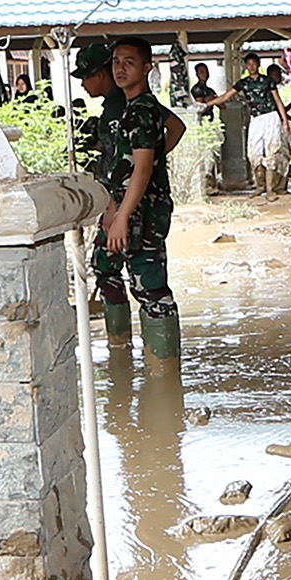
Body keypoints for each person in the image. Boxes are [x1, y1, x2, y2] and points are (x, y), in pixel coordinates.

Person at [81, 38, 181, 358]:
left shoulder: (141, 110)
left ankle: (163, 374)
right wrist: (115, 206)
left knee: (150, 288)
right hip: (126, 201)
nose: (120, 69)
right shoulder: (132, 108)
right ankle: (121, 353)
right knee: (109, 267)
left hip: (143, 208)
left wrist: (123, 215)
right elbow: (127, 166)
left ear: (147, 68)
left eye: (129, 62)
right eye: (116, 62)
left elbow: (141, 168)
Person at [240, 57, 290, 195]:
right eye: (274, 74)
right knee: (255, 154)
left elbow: (278, 102)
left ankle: (272, 188)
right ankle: (261, 186)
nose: (277, 77)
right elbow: (227, 95)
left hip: (273, 121)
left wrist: (285, 121)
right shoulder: (245, 84)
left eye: (278, 74)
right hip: (258, 120)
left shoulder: (268, 83)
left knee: (274, 154)